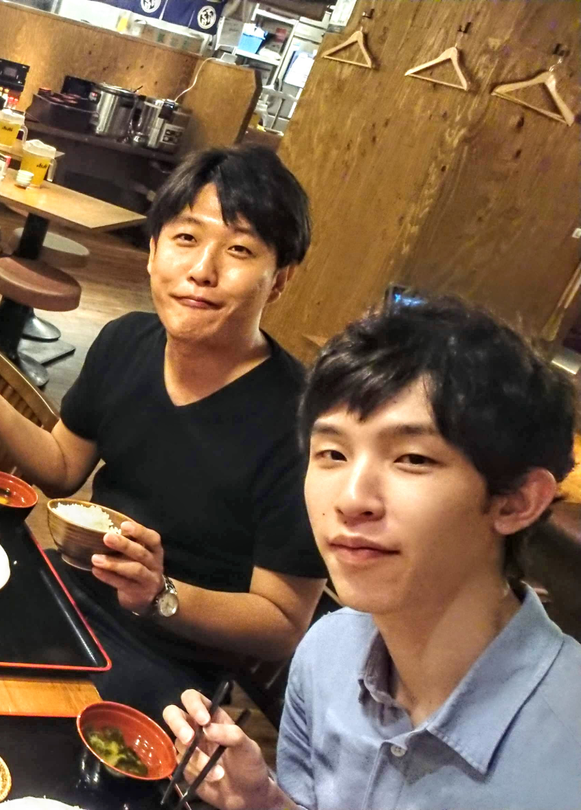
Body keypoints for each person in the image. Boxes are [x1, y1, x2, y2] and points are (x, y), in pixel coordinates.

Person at [0, 145, 328, 720]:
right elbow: (62, 466)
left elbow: (283, 623)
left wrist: (161, 594)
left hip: (169, 661)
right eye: (186, 238)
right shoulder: (126, 341)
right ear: (153, 251)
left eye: (239, 249)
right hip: (69, 594)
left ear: (280, 279)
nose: (202, 270)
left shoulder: (305, 424)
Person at [163, 296, 581, 810]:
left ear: (516, 502)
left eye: (412, 458)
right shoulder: (327, 653)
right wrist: (264, 801)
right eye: (332, 453)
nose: (351, 498)